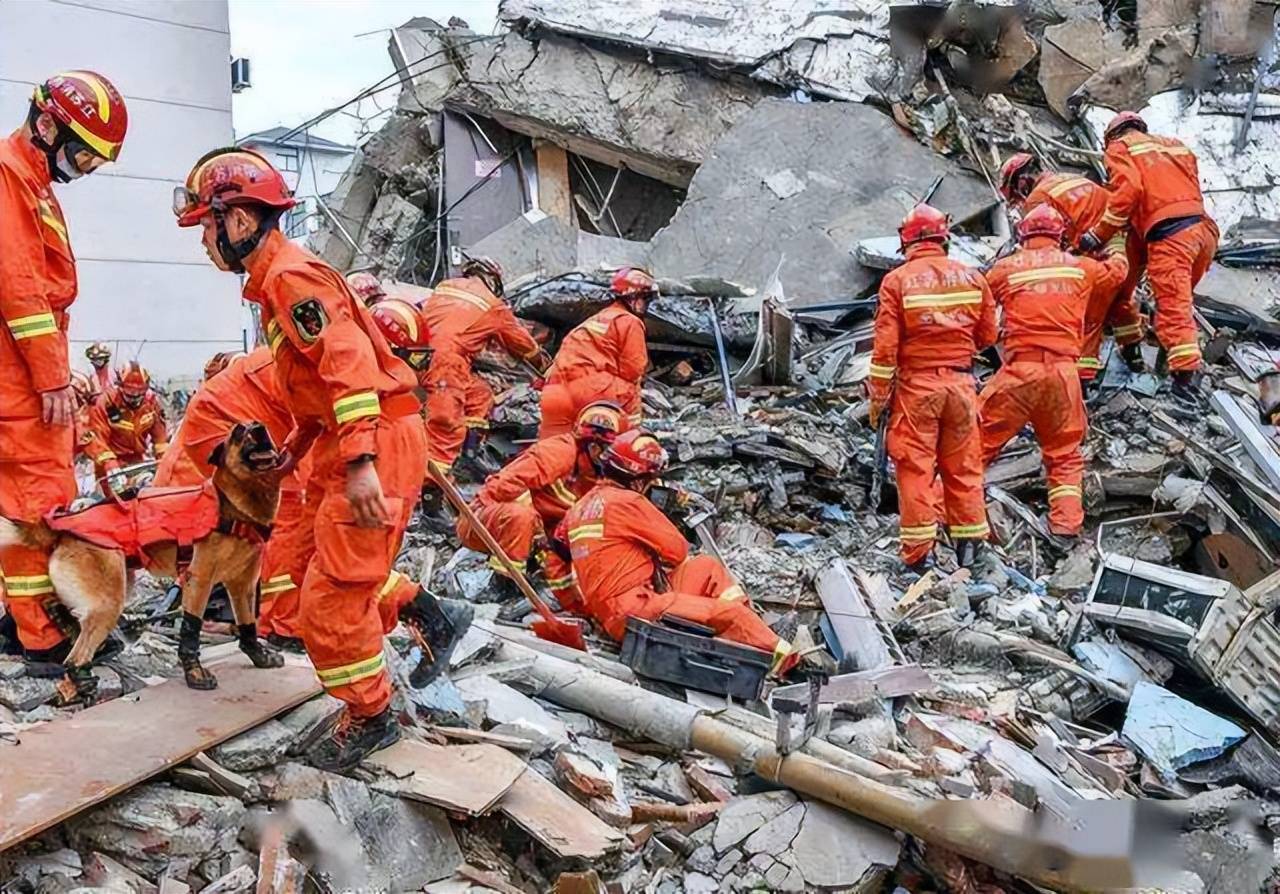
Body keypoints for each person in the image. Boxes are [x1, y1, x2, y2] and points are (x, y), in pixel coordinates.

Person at [174, 146, 472, 770]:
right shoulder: (275, 285)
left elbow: (349, 366)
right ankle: (417, 631)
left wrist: (361, 459)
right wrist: (296, 452)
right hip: (345, 442)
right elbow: (315, 388)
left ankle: (371, 716)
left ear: (237, 221)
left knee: (333, 596)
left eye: (206, 224)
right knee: (322, 576)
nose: (203, 241)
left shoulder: (291, 278)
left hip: (371, 443)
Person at [0, 71, 127, 674]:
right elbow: (21, 291)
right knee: (37, 506)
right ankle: (39, 636)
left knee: (25, 502)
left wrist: (61, 368)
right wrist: (51, 376)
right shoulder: (10, 177)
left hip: (23, 371)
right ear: (47, 125)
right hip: (18, 380)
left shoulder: (30, 178)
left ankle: (19, 615)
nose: (87, 168)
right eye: (83, 154)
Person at [560, 430, 799, 673]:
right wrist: (657, 514)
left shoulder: (582, 506)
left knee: (706, 568)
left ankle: (753, 631)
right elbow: (677, 551)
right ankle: (782, 660)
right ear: (638, 479)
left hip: (618, 607)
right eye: (652, 478)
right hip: (637, 610)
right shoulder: (628, 502)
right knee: (731, 613)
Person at [978, 205, 1129, 536]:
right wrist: (1115, 243)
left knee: (976, 447)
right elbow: (1117, 274)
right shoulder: (1081, 268)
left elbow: (980, 309)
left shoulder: (1005, 269)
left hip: (1019, 373)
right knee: (1063, 456)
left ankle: (944, 516)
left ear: (1023, 235)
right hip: (1063, 376)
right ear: (1061, 236)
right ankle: (1065, 525)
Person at [868, 204, 996, 570]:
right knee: (964, 465)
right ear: (944, 238)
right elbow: (988, 335)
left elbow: (885, 350)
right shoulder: (973, 278)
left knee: (915, 468)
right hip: (961, 385)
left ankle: (920, 555)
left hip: (917, 389)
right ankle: (969, 546)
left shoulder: (896, 282)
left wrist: (878, 397)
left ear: (906, 241)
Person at [1081, 112, 1219, 412]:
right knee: (1176, 302)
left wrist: (1097, 233)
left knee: (1173, 307)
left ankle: (1185, 381)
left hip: (1171, 235)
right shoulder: (1174, 145)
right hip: (1203, 231)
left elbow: (1128, 191)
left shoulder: (1121, 148)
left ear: (1113, 136)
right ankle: (1165, 357)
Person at [456, 401, 625, 610]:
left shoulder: (593, 473)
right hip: (484, 521)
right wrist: (480, 515)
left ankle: (538, 583)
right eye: (606, 451)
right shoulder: (560, 452)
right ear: (592, 445)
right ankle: (502, 583)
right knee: (522, 516)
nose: (609, 459)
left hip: (527, 534)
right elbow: (504, 485)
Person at [999, 153, 1145, 381]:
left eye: (1016, 194)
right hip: (1125, 246)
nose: (1020, 200)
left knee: (1087, 317)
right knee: (1121, 302)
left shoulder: (1038, 200)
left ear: (1022, 180)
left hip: (1096, 254)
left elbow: (1050, 241)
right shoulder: (1073, 179)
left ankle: (1082, 383)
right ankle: (1134, 358)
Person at [418, 256, 547, 480]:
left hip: (417, 354)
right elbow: (522, 345)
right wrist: (544, 364)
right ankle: (431, 493)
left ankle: (470, 452)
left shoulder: (445, 287)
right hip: (447, 364)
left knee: (479, 394)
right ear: (493, 281)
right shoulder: (493, 305)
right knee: (445, 428)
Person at [539, 267, 653, 438]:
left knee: (553, 449)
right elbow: (633, 370)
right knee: (630, 389)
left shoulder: (598, 319)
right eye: (646, 299)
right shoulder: (630, 322)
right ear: (635, 298)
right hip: (589, 390)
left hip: (555, 391)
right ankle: (629, 440)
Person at [81, 361, 169, 493]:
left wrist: (165, 462)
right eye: (129, 393)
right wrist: (109, 464)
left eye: (139, 393)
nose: (134, 397)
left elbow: (160, 438)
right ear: (120, 387)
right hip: (110, 464)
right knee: (117, 500)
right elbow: (96, 438)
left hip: (137, 461)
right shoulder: (105, 403)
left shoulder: (151, 404)